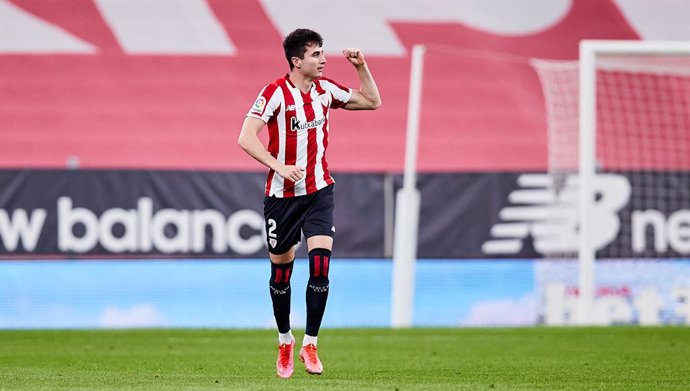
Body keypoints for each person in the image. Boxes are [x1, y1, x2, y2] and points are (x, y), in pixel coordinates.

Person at [238, 28, 381, 378]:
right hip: (282, 198)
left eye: (322, 53)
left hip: (319, 191)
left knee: (320, 265)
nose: (323, 59)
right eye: (316, 54)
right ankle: (285, 340)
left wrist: (362, 66)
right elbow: (245, 138)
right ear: (296, 61)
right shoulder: (274, 93)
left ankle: (310, 343)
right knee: (281, 274)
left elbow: (372, 101)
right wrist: (280, 167)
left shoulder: (325, 90)